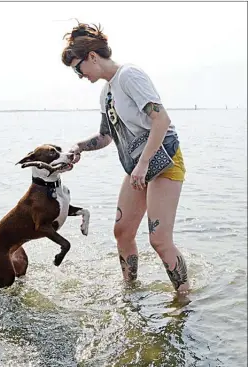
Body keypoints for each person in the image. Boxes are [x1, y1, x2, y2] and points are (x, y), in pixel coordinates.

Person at [61, 22, 189, 296]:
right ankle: (130, 291)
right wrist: (79, 147)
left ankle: (184, 298)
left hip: (164, 162)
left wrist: (142, 165)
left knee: (159, 240)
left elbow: (161, 120)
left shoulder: (129, 75)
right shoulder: (105, 93)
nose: (78, 75)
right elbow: (105, 137)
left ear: (92, 56)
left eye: (77, 67)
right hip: (139, 168)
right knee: (122, 232)